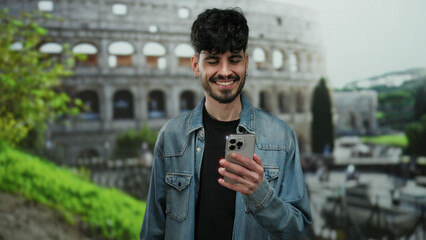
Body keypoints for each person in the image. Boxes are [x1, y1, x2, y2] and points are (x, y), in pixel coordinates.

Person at [140, 8, 311, 240]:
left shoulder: (280, 137)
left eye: (234, 60)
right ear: (195, 65)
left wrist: (260, 195)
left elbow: (299, 231)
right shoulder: (172, 136)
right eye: (213, 60)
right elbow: (153, 229)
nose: (225, 71)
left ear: (246, 63)